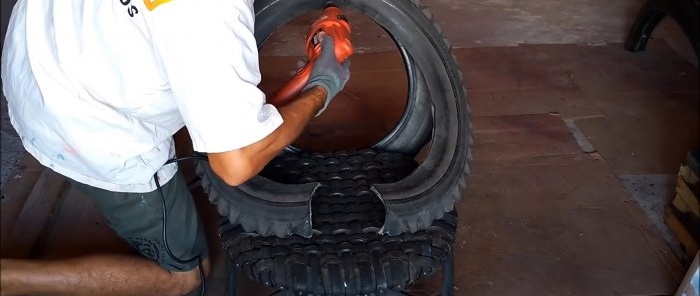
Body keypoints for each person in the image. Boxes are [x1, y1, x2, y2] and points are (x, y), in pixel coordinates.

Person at [0, 0, 350, 295]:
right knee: (186, 277)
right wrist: (322, 87)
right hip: (82, 126)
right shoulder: (208, 14)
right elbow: (236, 163)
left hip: (34, 43)